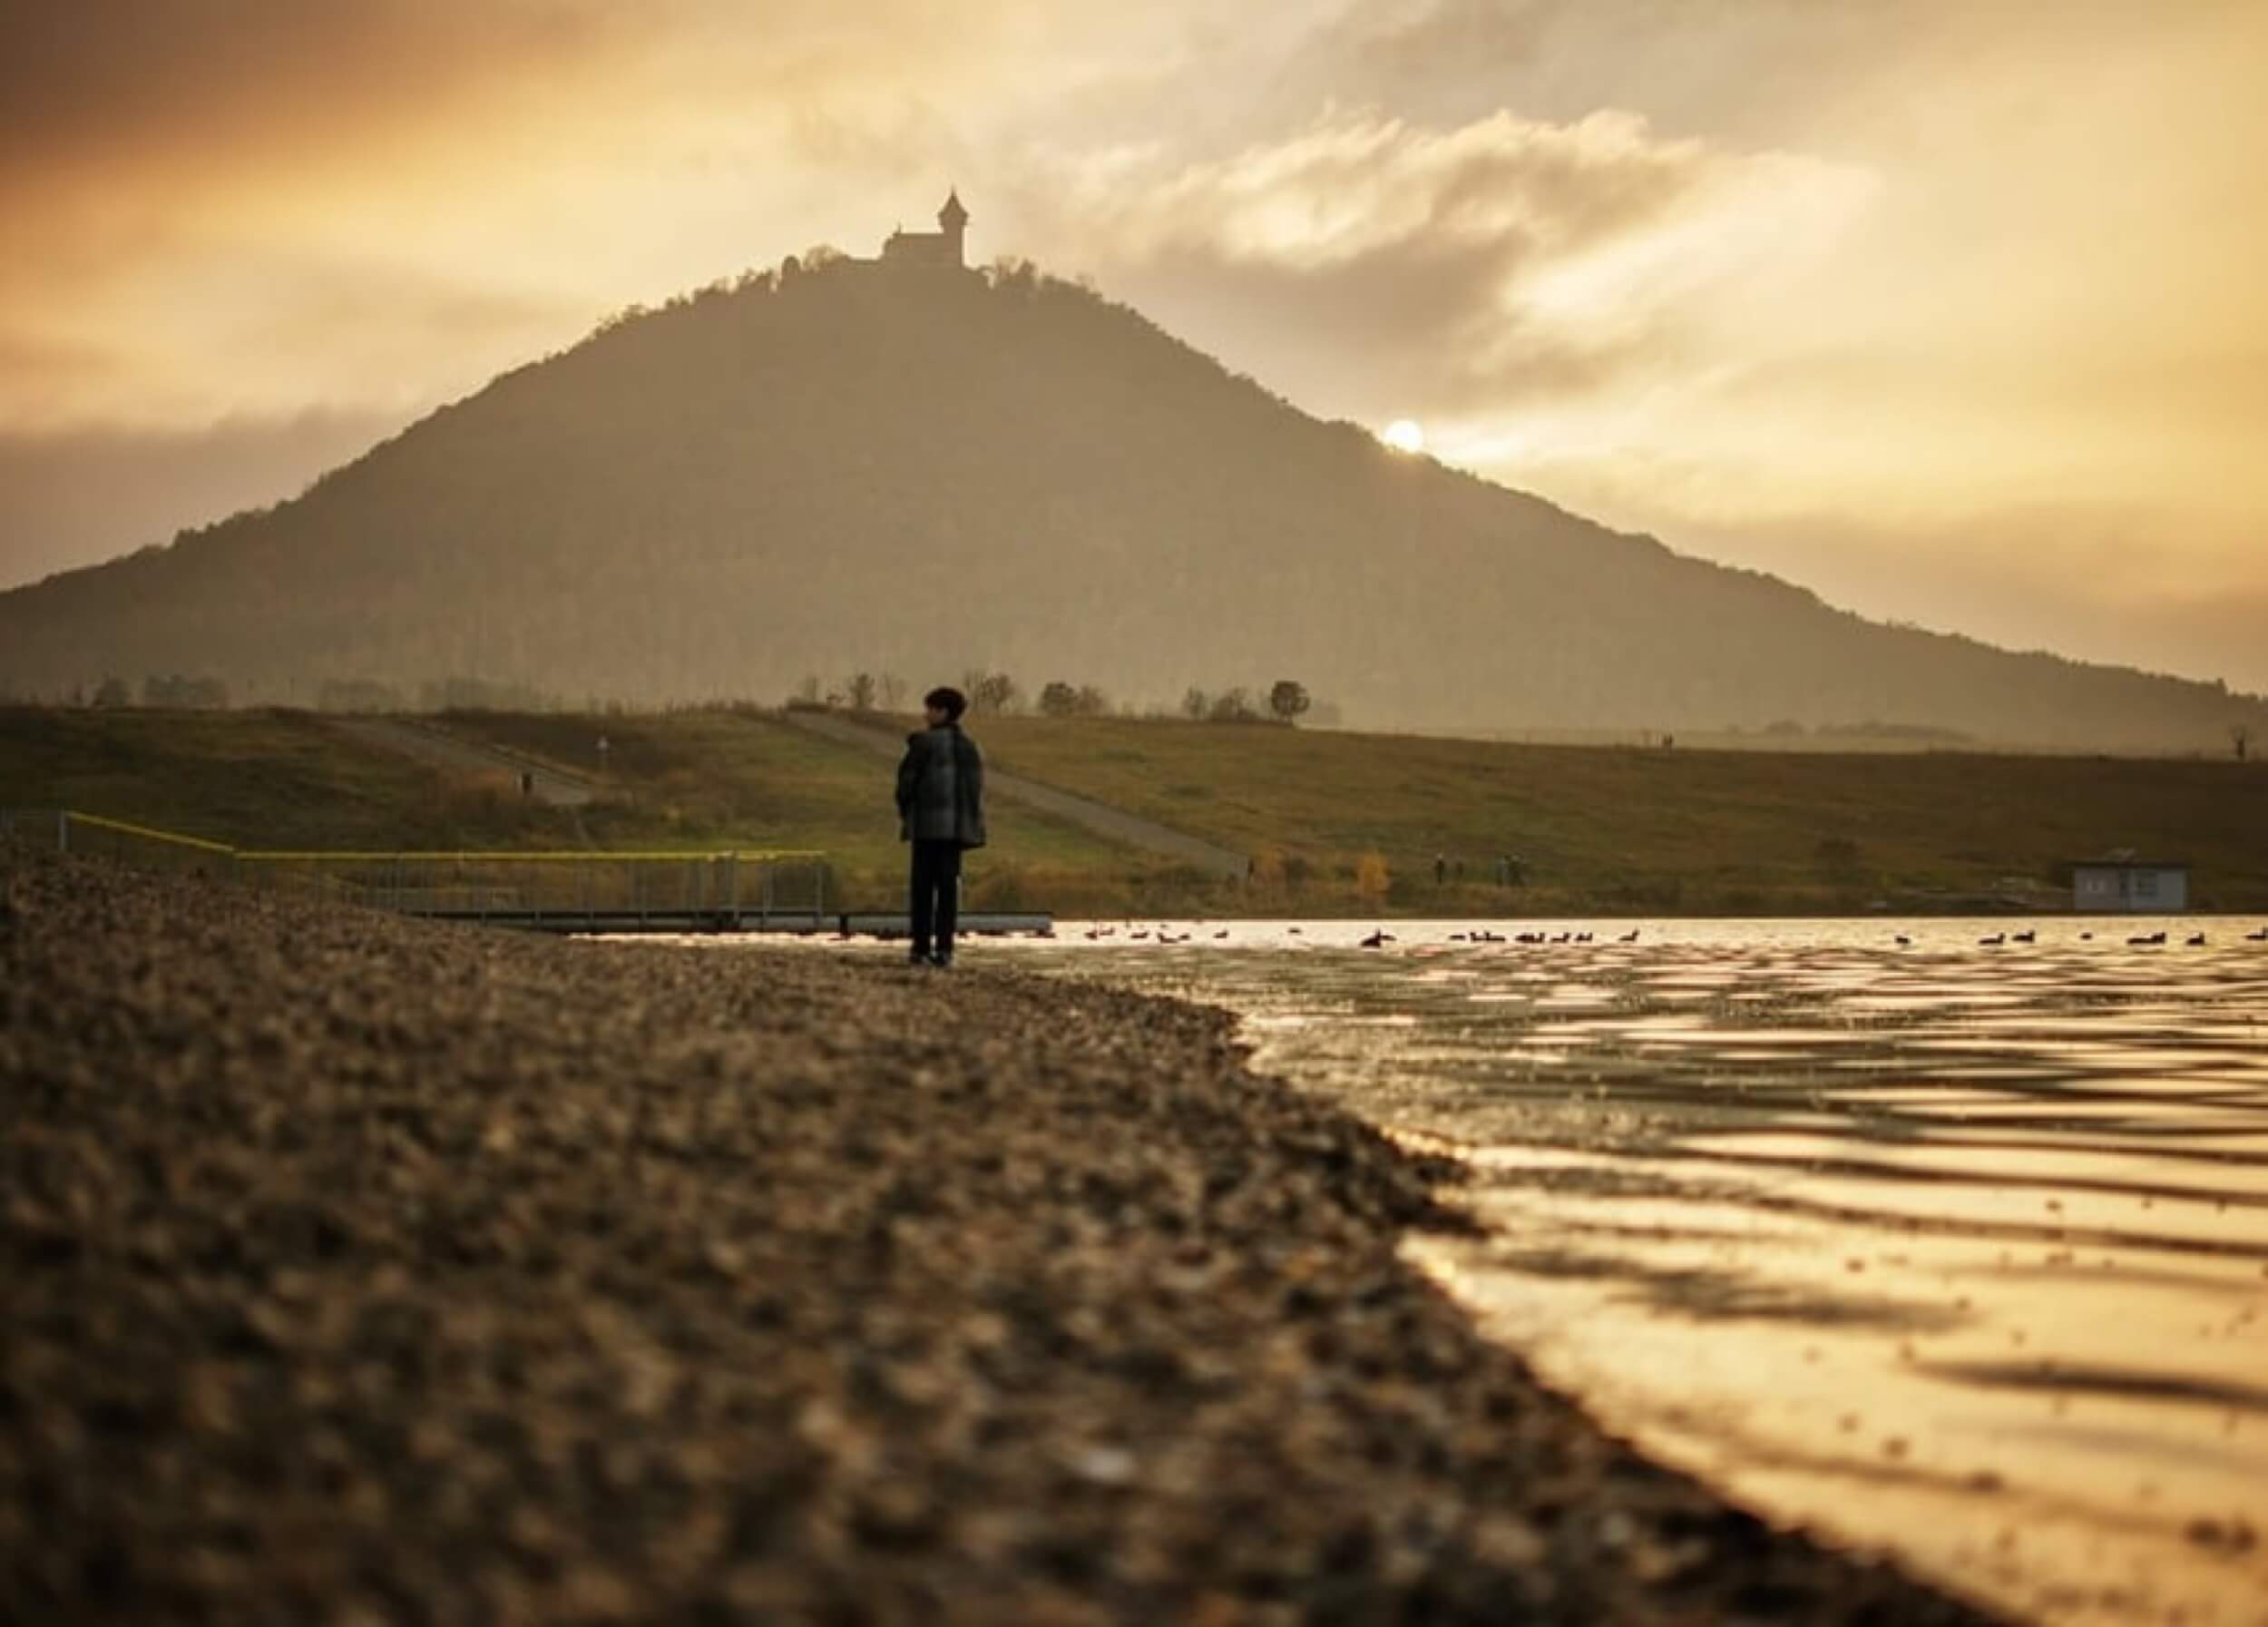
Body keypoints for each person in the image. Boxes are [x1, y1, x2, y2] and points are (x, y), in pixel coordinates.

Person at [895, 686, 987, 966]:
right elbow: (975, 791)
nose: (926, 714)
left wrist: (908, 813)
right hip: (955, 832)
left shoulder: (923, 744)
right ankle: (945, 950)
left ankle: (920, 948)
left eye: (931, 709)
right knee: (948, 891)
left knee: (922, 889)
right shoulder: (969, 748)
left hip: (926, 829)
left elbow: (905, 785)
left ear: (942, 711)